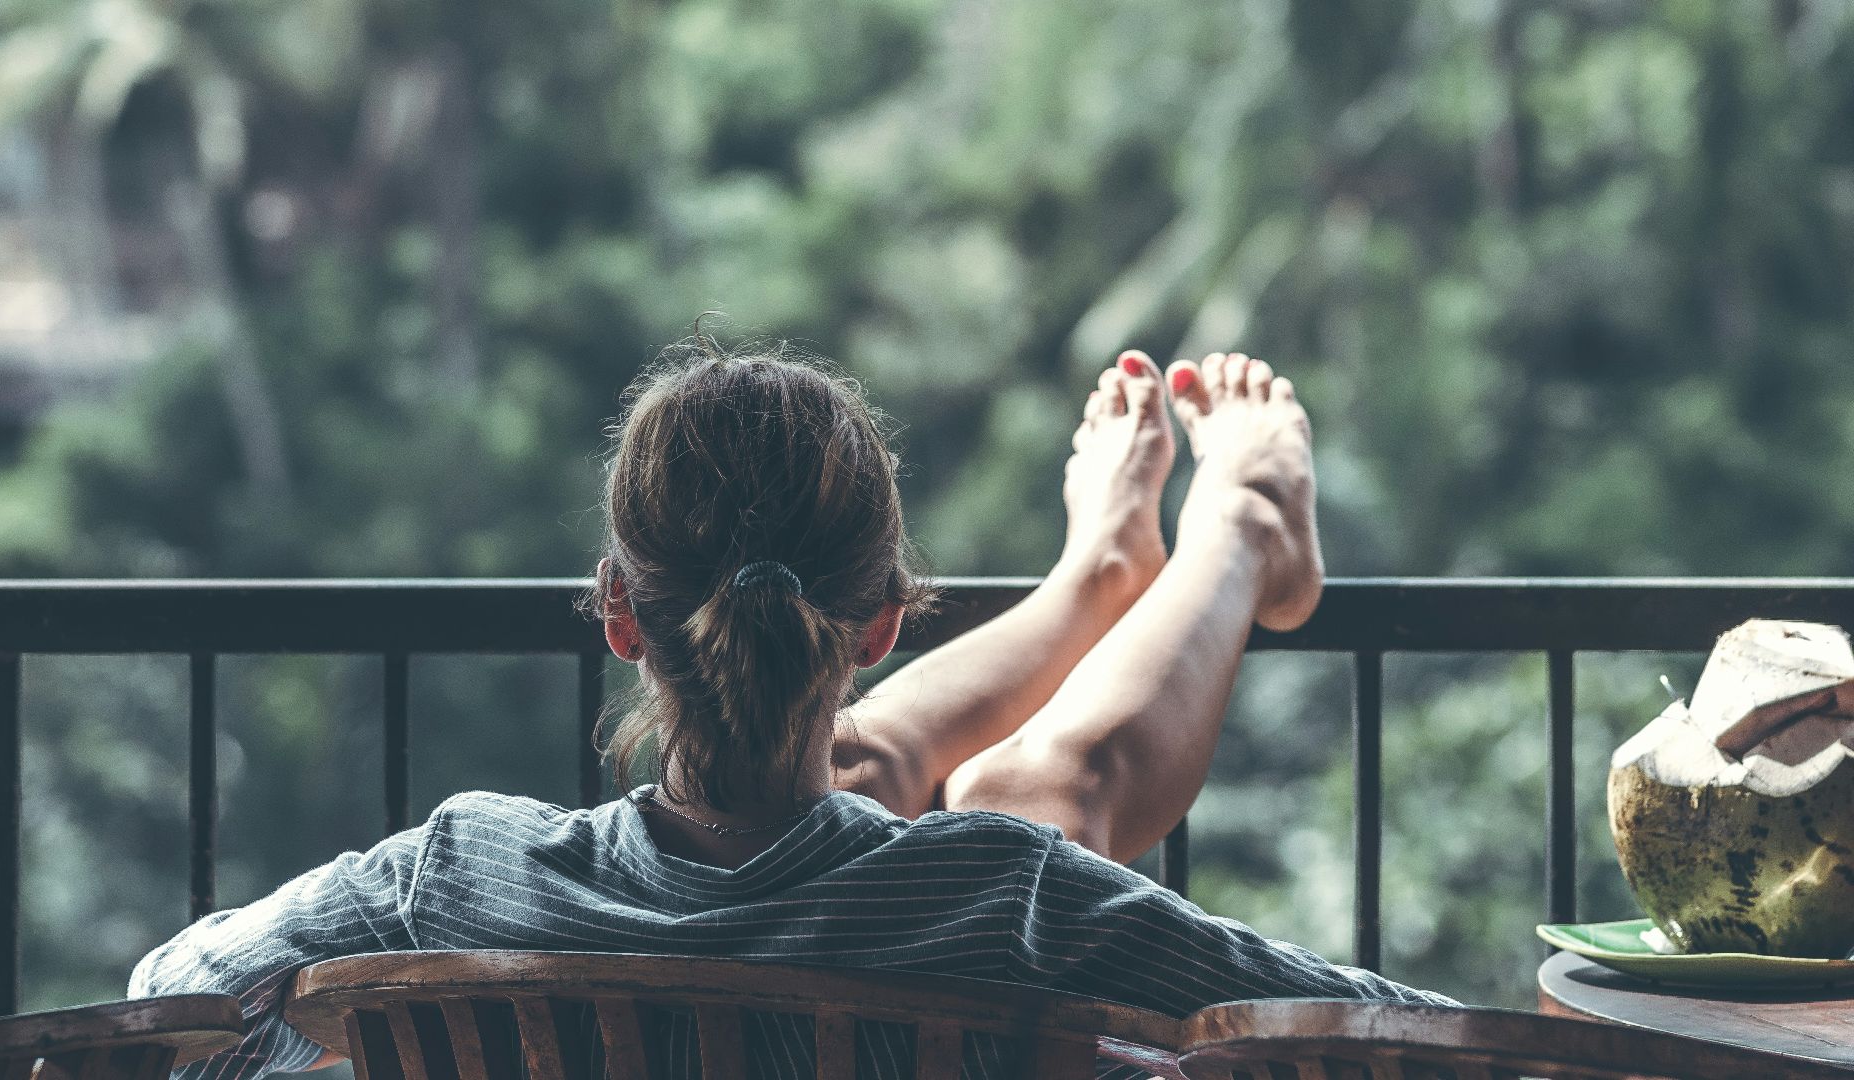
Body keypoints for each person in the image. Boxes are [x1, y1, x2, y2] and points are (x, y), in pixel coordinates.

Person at [131, 334, 1452, 1080]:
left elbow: (172, 1004)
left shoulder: (456, 878)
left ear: (618, 614)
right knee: (1020, 796)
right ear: (881, 624)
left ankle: (1110, 571)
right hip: (939, 890)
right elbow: (1397, 1042)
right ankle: (1222, 527)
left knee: (936, 799)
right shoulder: (1011, 899)